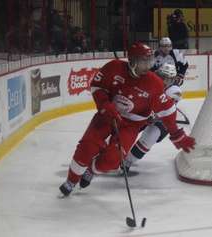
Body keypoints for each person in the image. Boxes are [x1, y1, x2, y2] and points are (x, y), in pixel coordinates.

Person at [59, 42, 195, 196]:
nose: (148, 66)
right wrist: (104, 104)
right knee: (87, 147)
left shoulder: (154, 83)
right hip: (106, 116)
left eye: (149, 61)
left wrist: (177, 135)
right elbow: (97, 86)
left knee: (112, 161)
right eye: (144, 61)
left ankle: (91, 169)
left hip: (131, 125)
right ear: (132, 61)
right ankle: (71, 180)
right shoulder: (113, 67)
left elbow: (167, 111)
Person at [122, 63, 183, 172]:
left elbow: (163, 111)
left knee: (152, 135)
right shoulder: (149, 81)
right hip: (143, 112)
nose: (164, 81)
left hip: (162, 118)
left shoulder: (175, 91)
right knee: (123, 127)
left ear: (173, 80)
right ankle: (108, 151)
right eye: (162, 77)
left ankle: (127, 161)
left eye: (168, 79)